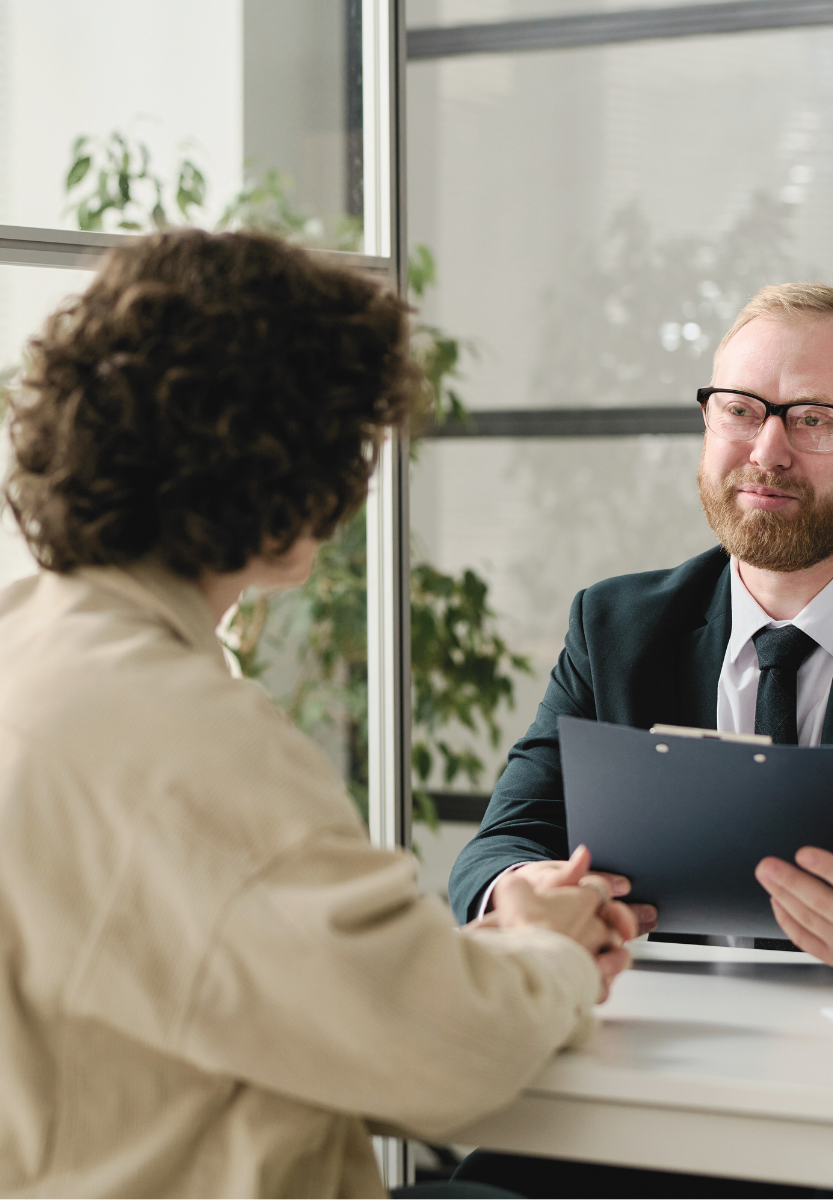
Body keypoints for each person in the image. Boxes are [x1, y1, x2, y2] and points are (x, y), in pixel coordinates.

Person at [0, 229, 636, 1199]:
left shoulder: (26, 646)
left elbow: (239, 973)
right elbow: (441, 1058)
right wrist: (552, 955)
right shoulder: (188, 733)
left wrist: (480, 955)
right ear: (296, 471)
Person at [449, 283, 833, 977]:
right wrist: (519, 893)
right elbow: (505, 840)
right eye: (741, 411)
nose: (768, 452)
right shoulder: (614, 627)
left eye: (815, 419)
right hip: (671, 1036)